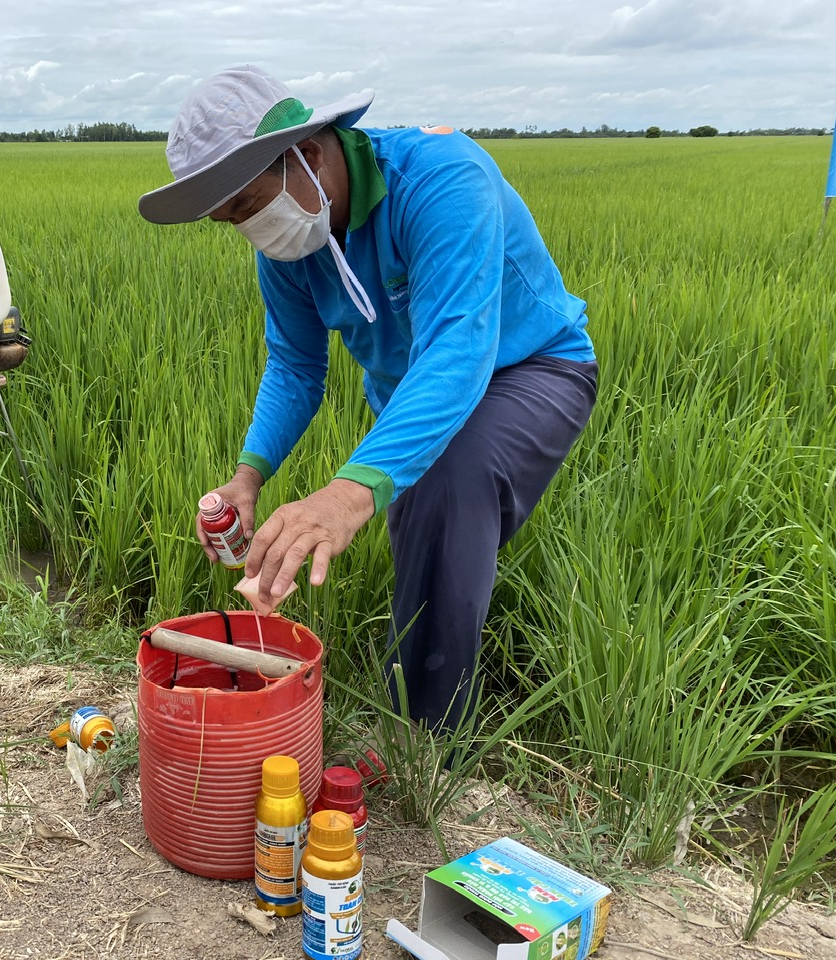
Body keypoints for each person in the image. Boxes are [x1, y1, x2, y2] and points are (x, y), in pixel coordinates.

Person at [138, 65, 598, 731]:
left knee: (447, 477)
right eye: (228, 219)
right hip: (415, 394)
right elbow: (296, 367)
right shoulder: (293, 246)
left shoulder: (442, 178)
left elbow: (458, 350)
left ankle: (426, 738)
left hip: (533, 368)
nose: (247, 230)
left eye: (246, 204)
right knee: (428, 519)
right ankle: (428, 689)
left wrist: (345, 494)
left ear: (309, 155)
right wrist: (248, 477)